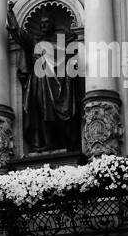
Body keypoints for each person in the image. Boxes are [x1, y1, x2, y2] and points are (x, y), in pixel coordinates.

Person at [9, 11, 82, 153]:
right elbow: (20, 35)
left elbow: (71, 55)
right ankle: (48, 142)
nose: (43, 26)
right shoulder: (35, 40)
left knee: (63, 112)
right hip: (40, 80)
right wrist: (10, 14)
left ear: (53, 25)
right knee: (42, 111)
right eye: (41, 23)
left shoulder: (62, 39)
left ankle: (68, 143)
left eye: (46, 23)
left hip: (60, 81)